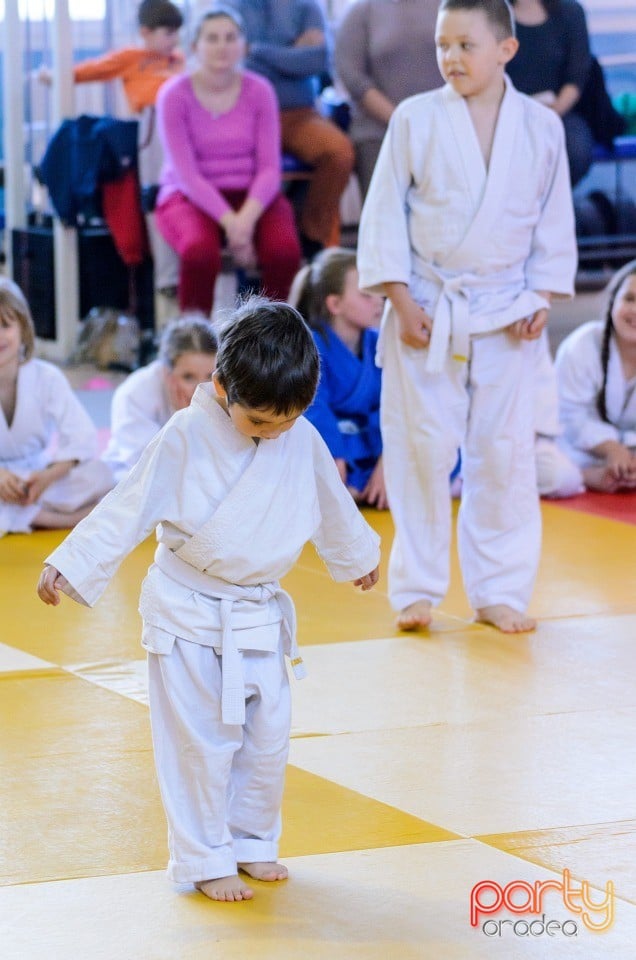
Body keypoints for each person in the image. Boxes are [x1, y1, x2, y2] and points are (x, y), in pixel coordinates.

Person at [37, 297, 380, 903]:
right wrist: (72, 563)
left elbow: (330, 500)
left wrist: (356, 557)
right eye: (259, 423)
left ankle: (250, 843)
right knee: (198, 746)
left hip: (258, 616)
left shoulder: (297, 435)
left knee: (267, 742)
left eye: (285, 420)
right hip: (189, 615)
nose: (274, 433)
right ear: (221, 388)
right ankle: (203, 858)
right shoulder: (185, 435)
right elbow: (128, 504)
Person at [357, 0, 577, 634]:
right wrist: (399, 300)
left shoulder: (540, 126)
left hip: (509, 306)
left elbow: (553, 221)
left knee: (503, 455)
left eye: (465, 46)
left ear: (506, 49)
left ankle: (500, 590)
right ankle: (416, 590)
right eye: (441, 46)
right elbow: (383, 215)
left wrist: (540, 299)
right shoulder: (414, 118)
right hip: (428, 301)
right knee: (420, 450)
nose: (450, 58)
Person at [155, 6, 301, 316]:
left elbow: (269, 169)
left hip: (252, 196)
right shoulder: (173, 95)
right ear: (195, 47)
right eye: (212, 38)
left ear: (244, 45)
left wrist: (245, 219)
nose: (222, 46)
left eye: (230, 37)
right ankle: (194, 343)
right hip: (189, 196)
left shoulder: (260, 90)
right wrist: (232, 224)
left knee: (284, 252)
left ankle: (271, 340)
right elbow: (187, 175)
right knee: (199, 252)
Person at [39, 0, 185, 295]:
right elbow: (93, 69)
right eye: (167, 33)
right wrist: (54, 76)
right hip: (153, 127)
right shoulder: (133, 57)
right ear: (146, 32)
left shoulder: (179, 60)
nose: (173, 41)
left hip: (185, 125)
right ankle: (167, 274)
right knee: (156, 196)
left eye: (176, 33)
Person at [229, 0, 355, 257]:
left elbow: (317, 60)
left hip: (298, 115)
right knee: (231, 163)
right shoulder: (229, 6)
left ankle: (312, 237)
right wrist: (291, 55)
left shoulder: (307, 5)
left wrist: (256, 50)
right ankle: (249, 242)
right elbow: (234, 65)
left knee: (340, 152)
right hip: (244, 118)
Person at [0, 279, 113, 536]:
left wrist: (47, 477)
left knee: (102, 475)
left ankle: (23, 516)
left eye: (5, 325)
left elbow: (82, 438)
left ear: (23, 329)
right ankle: (54, 519)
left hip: (35, 479)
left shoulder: (46, 377)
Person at [288, 247, 387, 507]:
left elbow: (394, 407)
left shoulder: (380, 343)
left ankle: (371, 484)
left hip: (371, 444)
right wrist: (333, 453)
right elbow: (314, 406)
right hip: (329, 444)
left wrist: (387, 461)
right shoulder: (310, 346)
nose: (379, 301)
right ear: (335, 304)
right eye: (367, 294)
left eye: (379, 292)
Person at [334, 0, 441, 199]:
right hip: (379, 134)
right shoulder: (363, 11)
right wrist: (401, 120)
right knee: (385, 219)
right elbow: (352, 77)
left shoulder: (452, 6)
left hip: (443, 131)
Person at [102, 314, 218, 483]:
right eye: (188, 377)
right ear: (167, 372)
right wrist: (183, 421)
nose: (202, 389)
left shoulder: (221, 385)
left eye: (209, 376)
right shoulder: (134, 393)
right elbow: (146, 466)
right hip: (133, 472)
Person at [555, 260, 636, 492]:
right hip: (574, 447)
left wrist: (630, 461)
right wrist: (612, 449)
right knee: (556, 474)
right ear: (613, 303)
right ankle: (585, 476)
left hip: (629, 450)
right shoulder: (582, 345)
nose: (635, 310)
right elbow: (568, 417)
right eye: (629, 299)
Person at [506, 0, 593, 186]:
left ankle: (550, 206)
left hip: (558, 112)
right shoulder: (494, 14)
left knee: (576, 149)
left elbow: (576, 77)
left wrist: (551, 113)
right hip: (506, 112)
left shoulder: (571, 12)